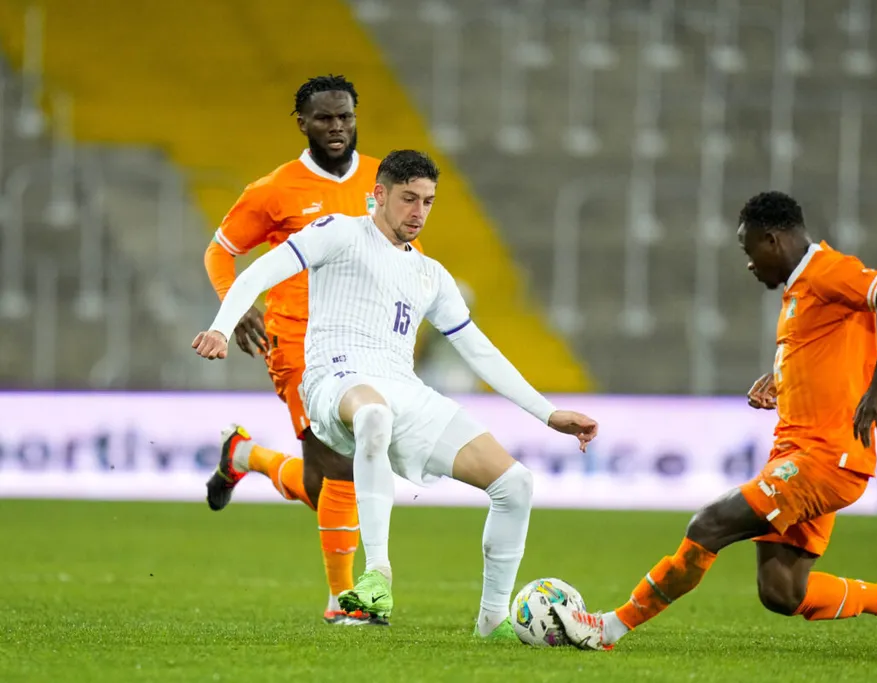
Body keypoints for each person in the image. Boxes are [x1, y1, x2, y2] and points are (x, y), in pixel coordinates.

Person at [193, 150, 599, 637]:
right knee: (374, 417)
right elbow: (258, 272)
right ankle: (377, 575)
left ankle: (492, 625)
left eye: (428, 201)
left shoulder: (430, 274)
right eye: (409, 198)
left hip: (402, 389)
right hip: (334, 379)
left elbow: (481, 353)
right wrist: (221, 326)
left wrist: (548, 414)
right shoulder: (339, 232)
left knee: (515, 485)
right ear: (379, 195)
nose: (419, 212)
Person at [553, 191, 877, 658]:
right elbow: (827, 349)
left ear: (772, 240)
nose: (749, 263)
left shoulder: (828, 270)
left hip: (826, 458)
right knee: (781, 591)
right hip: (801, 453)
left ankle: (608, 629)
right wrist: (784, 377)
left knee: (709, 524)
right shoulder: (801, 289)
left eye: (748, 249)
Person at [203, 74, 424, 623]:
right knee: (344, 467)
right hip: (298, 340)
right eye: (324, 118)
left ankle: (244, 456)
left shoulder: (382, 178)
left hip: (365, 342)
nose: (336, 127)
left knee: (323, 481)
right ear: (301, 123)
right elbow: (219, 251)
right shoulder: (275, 190)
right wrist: (237, 303)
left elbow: (405, 255)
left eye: (345, 116)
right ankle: (343, 601)